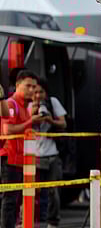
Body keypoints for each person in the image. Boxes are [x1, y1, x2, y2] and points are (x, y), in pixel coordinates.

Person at [1, 70, 42, 228]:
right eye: (28, 86)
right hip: (9, 158)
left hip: (20, 160)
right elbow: (8, 130)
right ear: (18, 85)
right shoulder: (11, 104)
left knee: (15, 199)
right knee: (9, 200)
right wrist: (31, 120)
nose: (32, 90)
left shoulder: (25, 106)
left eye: (34, 87)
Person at [29, 78, 67, 228]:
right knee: (31, 190)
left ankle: (53, 222)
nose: (38, 95)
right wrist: (32, 116)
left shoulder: (52, 102)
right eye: (35, 91)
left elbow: (63, 123)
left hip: (51, 153)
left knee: (53, 191)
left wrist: (50, 120)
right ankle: (28, 219)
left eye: (41, 92)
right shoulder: (26, 104)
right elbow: (23, 124)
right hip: (33, 154)